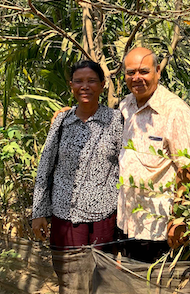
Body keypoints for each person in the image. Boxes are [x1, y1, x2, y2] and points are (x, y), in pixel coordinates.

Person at [32, 60, 123, 292]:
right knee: (69, 280)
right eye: (79, 81)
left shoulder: (116, 121)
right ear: (71, 85)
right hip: (65, 217)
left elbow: (127, 165)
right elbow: (45, 168)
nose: (85, 86)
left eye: (92, 81)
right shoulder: (62, 122)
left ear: (103, 85)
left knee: (101, 280)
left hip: (103, 218)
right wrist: (39, 212)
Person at [117, 47, 190, 262]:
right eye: (130, 72)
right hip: (126, 222)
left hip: (157, 227)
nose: (136, 78)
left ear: (158, 71)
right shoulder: (125, 106)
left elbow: (186, 167)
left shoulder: (175, 111)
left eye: (143, 71)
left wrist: (179, 218)